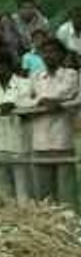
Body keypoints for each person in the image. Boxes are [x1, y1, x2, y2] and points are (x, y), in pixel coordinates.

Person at [28, 38, 79, 208]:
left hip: (62, 140)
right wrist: (41, 102)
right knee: (44, 197)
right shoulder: (36, 76)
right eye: (45, 51)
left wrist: (46, 100)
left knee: (66, 195)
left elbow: (67, 91)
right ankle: (48, 232)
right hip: (40, 142)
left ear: (62, 55)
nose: (49, 55)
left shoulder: (71, 74)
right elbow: (25, 99)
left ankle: (70, 230)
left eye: (53, 51)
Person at [0, 52, 33, 204]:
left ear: (6, 66)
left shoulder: (26, 85)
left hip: (21, 144)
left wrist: (15, 107)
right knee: (3, 193)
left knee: (24, 191)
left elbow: (32, 113)